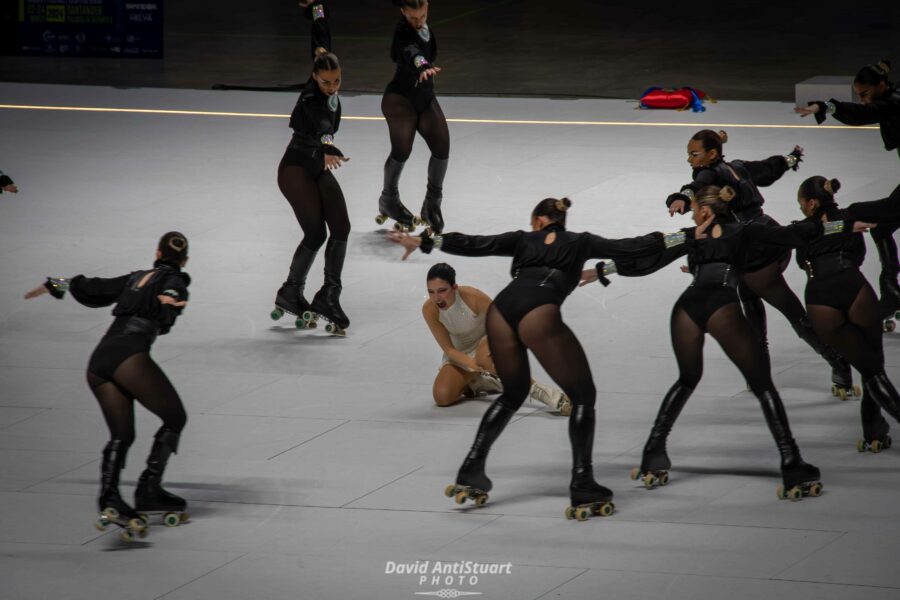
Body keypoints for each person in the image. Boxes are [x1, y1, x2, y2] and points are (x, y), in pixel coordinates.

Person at [391, 197, 680, 520]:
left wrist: (427, 241)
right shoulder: (580, 242)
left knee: (512, 395)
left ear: (540, 221)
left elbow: (477, 243)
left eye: (533, 223)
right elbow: (631, 247)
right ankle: (583, 483)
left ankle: (472, 469)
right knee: (584, 396)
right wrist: (682, 238)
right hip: (538, 312)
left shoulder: (524, 239)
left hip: (501, 312)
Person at [589, 186, 869, 500]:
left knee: (686, 379)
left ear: (706, 212)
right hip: (721, 306)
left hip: (687, 308)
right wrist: (842, 226)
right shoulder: (744, 232)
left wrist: (604, 268)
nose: (693, 214)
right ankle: (792, 462)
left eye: (695, 209)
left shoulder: (688, 235)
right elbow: (792, 235)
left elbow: (647, 253)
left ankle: (653, 453)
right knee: (763, 385)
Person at [23, 232, 192, 540]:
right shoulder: (177, 281)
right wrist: (171, 303)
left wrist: (55, 284)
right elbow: (172, 295)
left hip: (99, 361)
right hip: (128, 356)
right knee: (175, 417)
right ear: (185, 261)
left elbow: (94, 287)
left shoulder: (135, 277)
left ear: (156, 252)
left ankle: (110, 498)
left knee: (122, 434)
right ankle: (149, 489)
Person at [667, 129, 852, 396]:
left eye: (694, 154)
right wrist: (790, 159)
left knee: (790, 310)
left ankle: (838, 363)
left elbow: (696, 186)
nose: (689, 160)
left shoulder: (709, 174)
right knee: (749, 298)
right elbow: (768, 168)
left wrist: (682, 197)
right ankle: (759, 367)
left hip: (754, 249)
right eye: (688, 154)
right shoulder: (737, 166)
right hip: (766, 235)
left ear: (712, 153)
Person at [792, 176, 900, 452]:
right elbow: (891, 207)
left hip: (820, 299)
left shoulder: (801, 228)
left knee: (867, 366)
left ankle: (874, 428)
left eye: (802, 204)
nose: (802, 209)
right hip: (854, 287)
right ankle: (873, 427)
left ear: (812, 203)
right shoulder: (853, 214)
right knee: (873, 365)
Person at [795, 60, 900, 327]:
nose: (863, 100)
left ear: (880, 86)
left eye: (865, 94)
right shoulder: (893, 96)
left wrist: (828, 106)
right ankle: (891, 294)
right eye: (859, 95)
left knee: (854, 213)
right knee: (881, 226)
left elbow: (864, 114)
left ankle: (881, 294)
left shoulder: (892, 102)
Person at [272, 0, 351, 335]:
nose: (331, 87)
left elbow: (320, 36)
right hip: (295, 170)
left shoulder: (324, 60)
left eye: (336, 81)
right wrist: (328, 144)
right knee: (316, 233)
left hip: (316, 165)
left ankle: (329, 295)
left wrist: (318, 8)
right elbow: (322, 125)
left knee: (342, 228)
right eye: (326, 82)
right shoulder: (309, 99)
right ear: (314, 76)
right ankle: (291, 291)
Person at [423, 262, 571, 414]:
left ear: (454, 288)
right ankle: (483, 381)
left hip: (489, 339)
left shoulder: (474, 297)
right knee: (442, 396)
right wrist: (473, 364)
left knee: (484, 357)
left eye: (442, 290)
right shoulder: (429, 310)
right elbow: (449, 349)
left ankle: (545, 394)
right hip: (460, 352)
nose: (436, 298)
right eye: (431, 292)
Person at [376, 0, 448, 234]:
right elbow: (410, 51)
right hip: (400, 100)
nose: (418, 22)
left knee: (442, 147)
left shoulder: (425, 28)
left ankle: (432, 205)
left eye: (423, 16)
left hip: (424, 97)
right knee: (402, 151)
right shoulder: (402, 32)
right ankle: (389, 199)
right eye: (413, 18)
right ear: (403, 12)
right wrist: (422, 64)